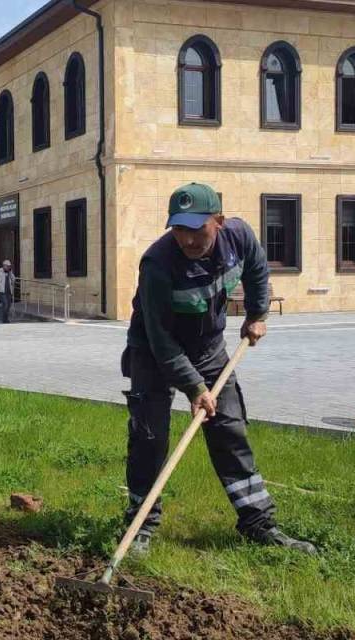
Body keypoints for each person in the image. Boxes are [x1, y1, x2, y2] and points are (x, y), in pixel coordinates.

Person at [122, 182, 316, 556]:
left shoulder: (239, 236)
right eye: (179, 229)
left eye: (198, 228)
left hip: (209, 347)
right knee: (149, 437)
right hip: (152, 351)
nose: (188, 239)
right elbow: (160, 340)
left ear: (220, 221)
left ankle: (258, 523)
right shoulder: (157, 264)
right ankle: (139, 525)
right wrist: (195, 388)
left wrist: (257, 314)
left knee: (230, 429)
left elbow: (258, 269)